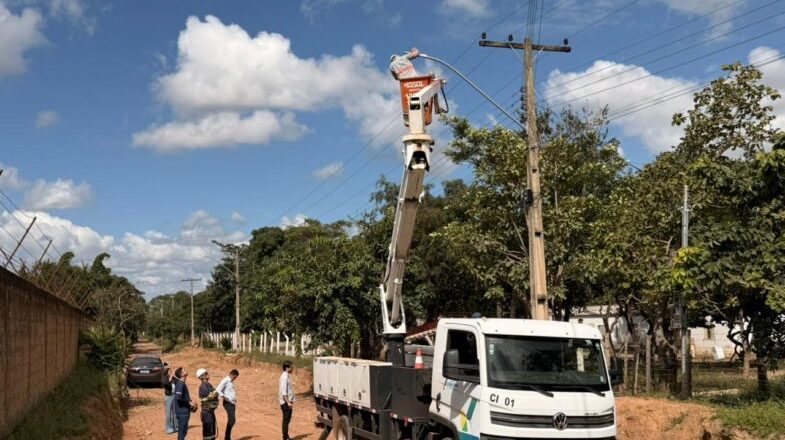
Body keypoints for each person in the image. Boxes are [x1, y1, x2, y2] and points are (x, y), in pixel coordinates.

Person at [216, 369, 239, 440]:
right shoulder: (226, 380)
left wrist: (233, 399)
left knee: (231, 420)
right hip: (228, 403)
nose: (235, 379)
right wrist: (224, 397)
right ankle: (227, 437)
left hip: (231, 403)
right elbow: (218, 389)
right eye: (235, 377)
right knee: (232, 420)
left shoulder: (230, 381)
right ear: (232, 375)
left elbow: (229, 391)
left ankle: (227, 437)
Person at [174, 367, 196, 440]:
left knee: (182, 431)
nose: (186, 370)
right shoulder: (181, 383)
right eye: (183, 370)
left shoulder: (181, 383)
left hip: (182, 411)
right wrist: (189, 402)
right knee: (182, 431)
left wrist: (190, 400)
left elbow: (181, 397)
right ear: (181, 374)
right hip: (182, 412)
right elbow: (178, 397)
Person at [197, 368, 219, 440]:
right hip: (206, 412)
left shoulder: (209, 385)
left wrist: (214, 395)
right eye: (206, 373)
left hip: (210, 412)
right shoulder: (203, 387)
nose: (208, 374)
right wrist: (214, 395)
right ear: (202, 376)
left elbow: (215, 394)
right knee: (208, 433)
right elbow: (212, 397)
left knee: (212, 432)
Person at [279, 361, 295, 440]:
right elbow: (284, 392)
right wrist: (288, 403)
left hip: (287, 401)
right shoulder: (284, 377)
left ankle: (286, 436)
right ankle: (285, 437)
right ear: (287, 368)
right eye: (291, 367)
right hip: (285, 402)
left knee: (287, 420)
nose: (292, 368)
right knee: (286, 420)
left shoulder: (287, 376)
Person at [163, 366, 178, 434]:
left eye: (171, 371)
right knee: (169, 413)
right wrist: (171, 376)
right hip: (169, 397)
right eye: (170, 371)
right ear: (166, 372)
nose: (171, 372)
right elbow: (166, 383)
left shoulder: (173, 379)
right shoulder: (165, 378)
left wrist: (174, 376)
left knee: (175, 412)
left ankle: (176, 427)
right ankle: (169, 428)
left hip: (174, 396)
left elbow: (179, 382)